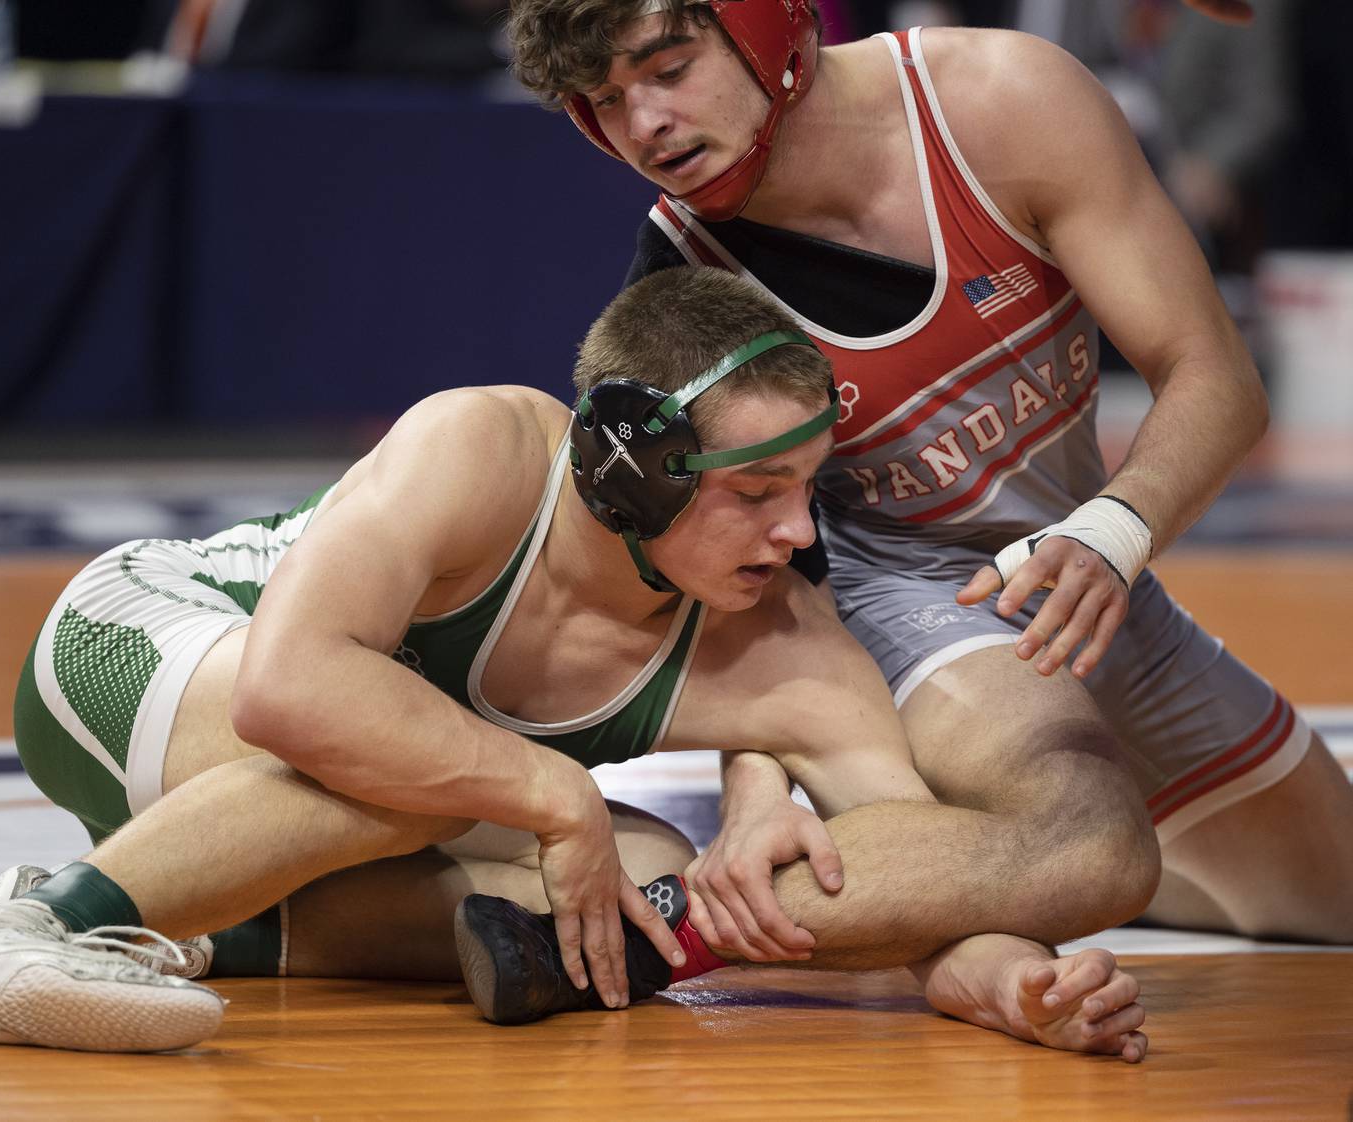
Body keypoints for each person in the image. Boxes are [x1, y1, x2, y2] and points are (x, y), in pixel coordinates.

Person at [0, 269, 1149, 1060]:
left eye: (806, 489)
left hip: (282, 797)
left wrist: (1011, 984)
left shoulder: (790, 656)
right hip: (131, 643)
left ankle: (181, 921)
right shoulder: (485, 446)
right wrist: (552, 789)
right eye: (758, 492)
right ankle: (23, 937)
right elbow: (288, 692)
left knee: (644, 884)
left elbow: (908, 874)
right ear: (630, 471)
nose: (797, 533)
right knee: (421, 761)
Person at [503, 0, 1353, 952]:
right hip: (902, 594)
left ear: (764, 27)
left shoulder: (1004, 105)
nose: (646, 125)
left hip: (1090, 561)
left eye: (667, 71)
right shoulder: (685, 285)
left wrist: (1116, 529)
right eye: (606, 101)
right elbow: (734, 573)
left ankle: (966, 890)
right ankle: (641, 941)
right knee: (1085, 821)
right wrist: (756, 782)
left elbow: (1215, 376)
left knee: (1335, 898)